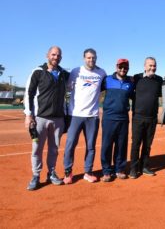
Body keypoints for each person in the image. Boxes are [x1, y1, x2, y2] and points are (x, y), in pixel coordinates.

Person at [24, 46, 69, 190]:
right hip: (40, 119)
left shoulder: (63, 74)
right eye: (53, 54)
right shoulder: (38, 72)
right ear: (47, 55)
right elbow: (28, 94)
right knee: (37, 148)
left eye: (58, 55)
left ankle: (52, 173)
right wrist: (28, 115)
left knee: (54, 149)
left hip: (58, 119)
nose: (56, 57)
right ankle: (36, 175)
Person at [63, 48, 107, 184]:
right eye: (88, 57)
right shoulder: (76, 71)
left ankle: (88, 172)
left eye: (93, 57)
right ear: (84, 58)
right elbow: (68, 89)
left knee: (91, 146)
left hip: (92, 116)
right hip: (75, 115)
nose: (91, 60)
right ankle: (68, 173)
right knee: (70, 144)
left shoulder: (102, 73)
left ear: (96, 58)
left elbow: (105, 88)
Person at [100, 59, 135, 182]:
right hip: (109, 118)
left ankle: (119, 169)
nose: (123, 69)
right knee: (107, 145)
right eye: (121, 67)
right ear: (116, 67)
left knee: (121, 145)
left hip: (123, 118)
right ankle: (106, 171)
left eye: (125, 67)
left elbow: (134, 96)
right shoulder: (107, 80)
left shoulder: (130, 83)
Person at [129, 57, 163, 178]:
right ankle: (133, 168)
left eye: (154, 66)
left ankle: (144, 167)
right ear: (144, 66)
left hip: (152, 118)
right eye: (150, 65)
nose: (152, 68)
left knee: (147, 145)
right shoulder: (136, 78)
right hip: (138, 117)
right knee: (136, 144)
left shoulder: (159, 80)